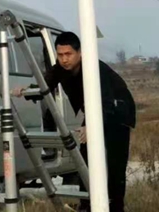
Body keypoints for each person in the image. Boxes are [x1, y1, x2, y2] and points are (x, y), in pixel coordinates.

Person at [13, 31, 135, 212]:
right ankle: (87, 205)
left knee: (115, 166)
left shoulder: (95, 69)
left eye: (68, 54)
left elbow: (106, 102)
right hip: (95, 111)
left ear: (80, 53)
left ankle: (116, 208)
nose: (64, 59)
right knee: (85, 161)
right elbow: (44, 87)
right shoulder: (60, 69)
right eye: (60, 55)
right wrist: (25, 91)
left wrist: (91, 125)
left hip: (117, 112)